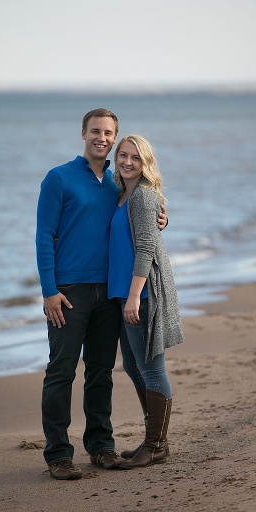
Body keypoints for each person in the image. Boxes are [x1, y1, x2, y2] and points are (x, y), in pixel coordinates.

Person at [36, 110, 167, 480]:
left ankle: (101, 447)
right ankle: (59, 455)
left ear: (115, 137)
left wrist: (163, 218)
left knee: (101, 372)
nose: (103, 138)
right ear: (83, 133)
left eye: (109, 133)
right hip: (69, 292)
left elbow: (139, 218)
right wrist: (49, 291)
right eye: (96, 131)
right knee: (60, 371)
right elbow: (44, 237)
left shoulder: (116, 184)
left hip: (110, 292)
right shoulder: (58, 178)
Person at [108, 134, 184, 468]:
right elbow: (147, 234)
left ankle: (155, 446)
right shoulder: (123, 194)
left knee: (152, 370)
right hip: (127, 294)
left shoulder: (142, 196)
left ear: (146, 163)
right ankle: (155, 441)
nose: (127, 162)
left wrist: (135, 296)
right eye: (122, 155)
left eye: (135, 158)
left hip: (142, 295)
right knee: (135, 367)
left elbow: (146, 248)